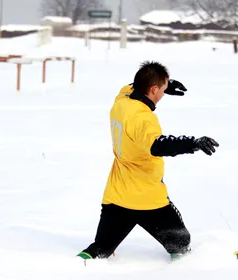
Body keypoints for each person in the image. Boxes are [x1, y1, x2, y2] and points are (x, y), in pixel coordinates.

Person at [77, 61, 219, 262]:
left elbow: (133, 85)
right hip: (150, 200)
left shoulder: (122, 101)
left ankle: (72, 268)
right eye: (161, 89)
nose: (162, 93)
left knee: (100, 248)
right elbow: (158, 145)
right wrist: (193, 143)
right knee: (181, 245)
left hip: (117, 196)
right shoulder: (143, 118)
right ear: (153, 89)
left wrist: (165, 84)